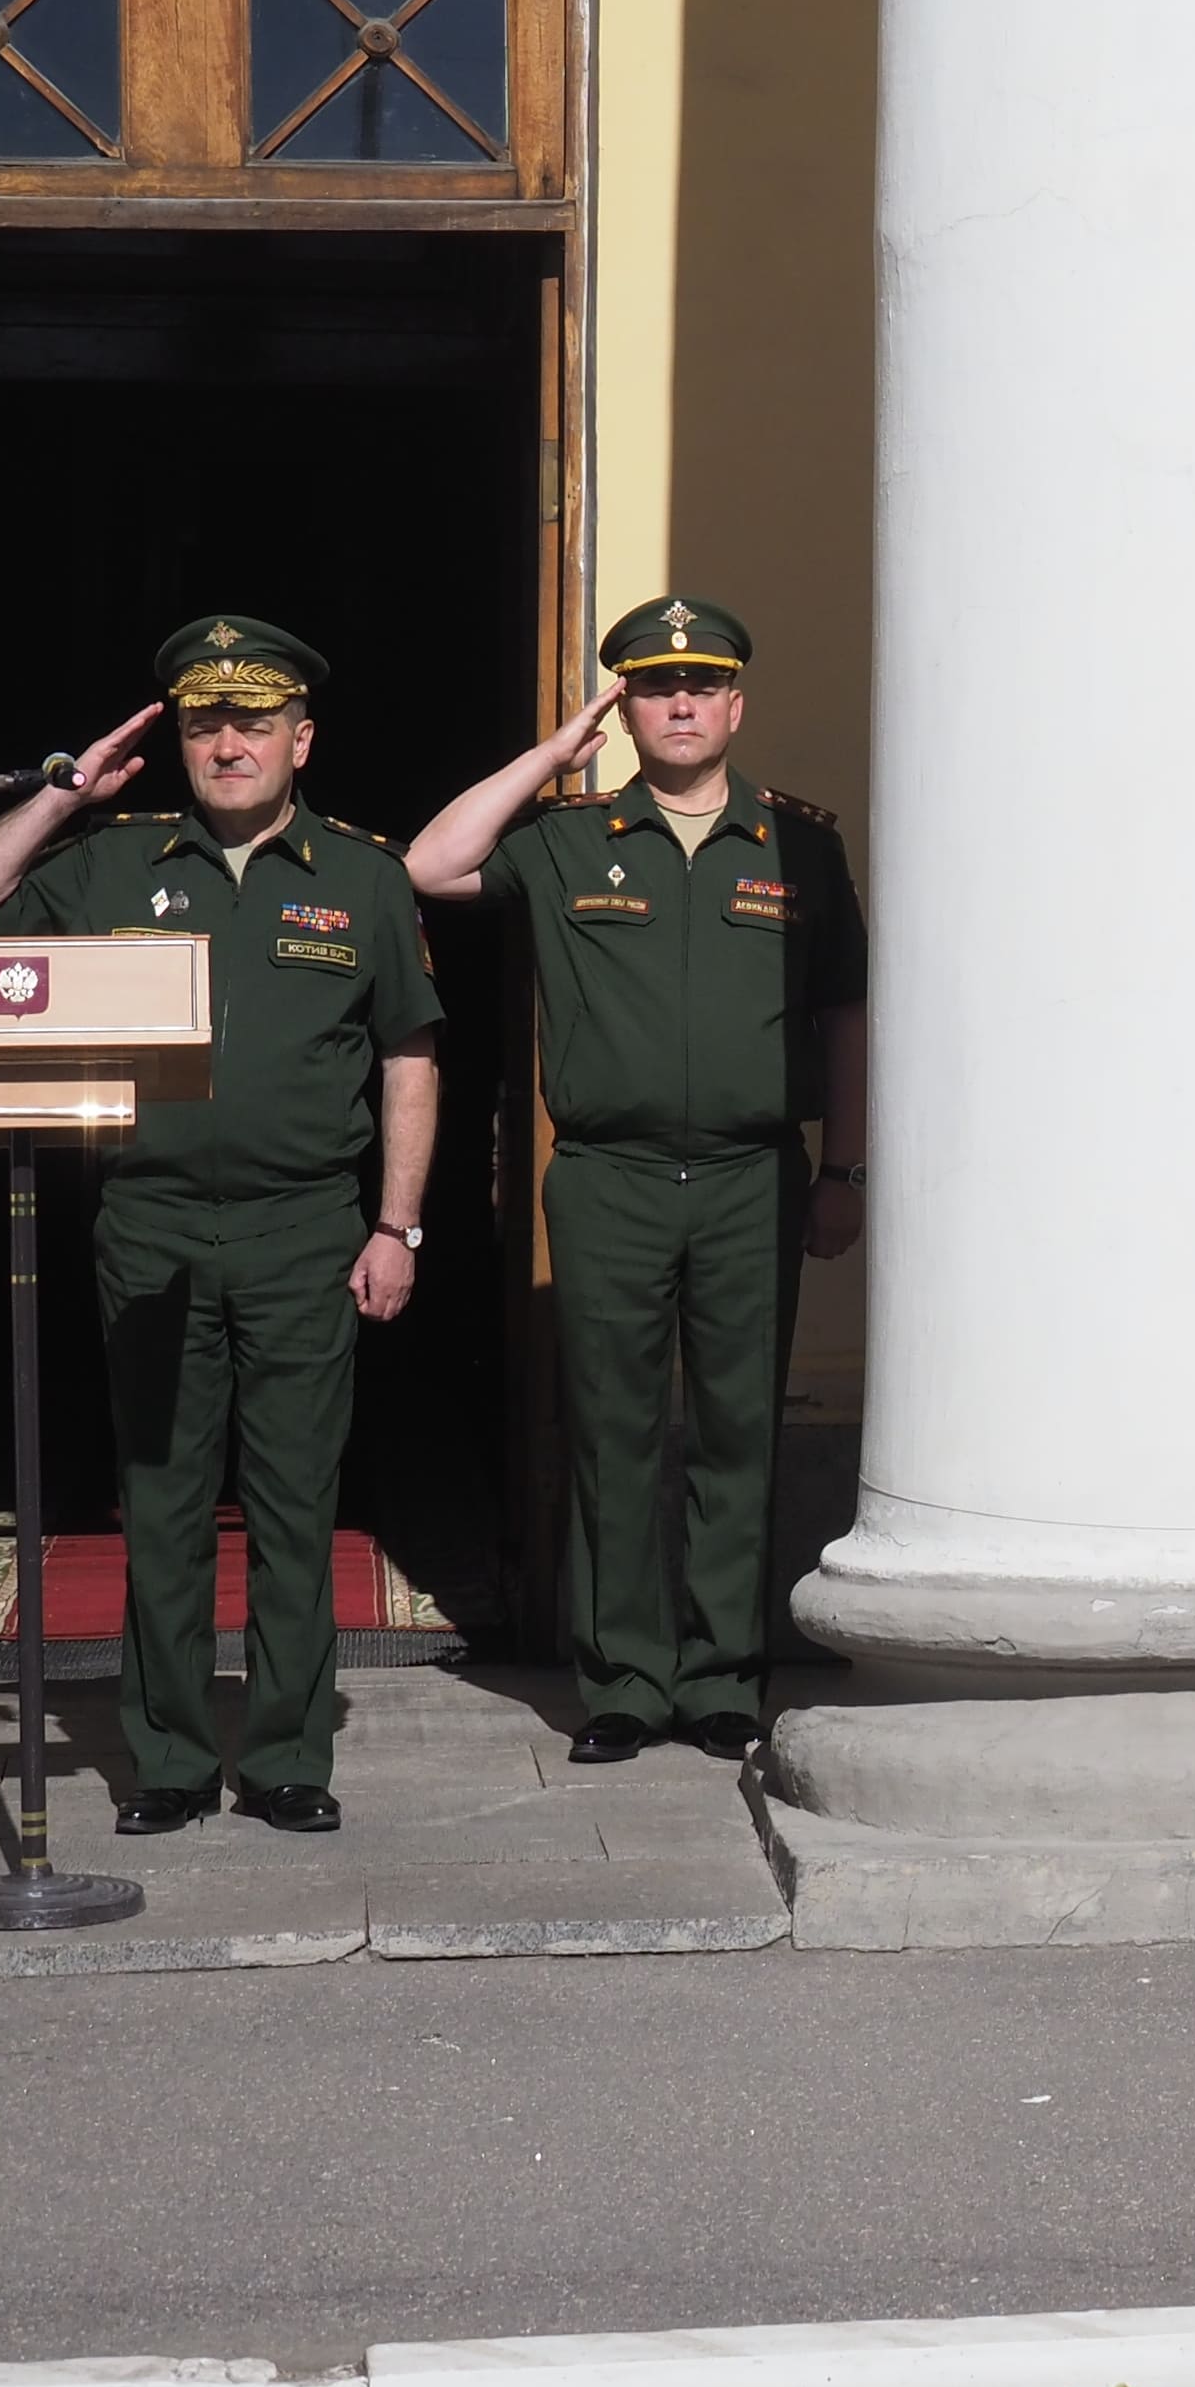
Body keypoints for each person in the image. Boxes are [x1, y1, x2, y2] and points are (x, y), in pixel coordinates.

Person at [0, 616, 440, 1837]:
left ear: (300, 740)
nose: (228, 745)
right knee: (158, 1498)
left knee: (294, 1502)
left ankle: (286, 1757)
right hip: (149, 1228)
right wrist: (59, 798)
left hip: (307, 1228)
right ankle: (164, 1755)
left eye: (253, 724)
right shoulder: (111, 863)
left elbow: (409, 1056)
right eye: (207, 724)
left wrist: (398, 1227)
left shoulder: (364, 878)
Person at [410, 597, 866, 1767]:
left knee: (736, 1436)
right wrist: (550, 758)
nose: (679, 703)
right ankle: (621, 1683)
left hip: (751, 1175)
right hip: (608, 1180)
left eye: (701, 685)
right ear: (623, 705)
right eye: (654, 687)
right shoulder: (568, 837)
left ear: (734, 705)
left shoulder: (802, 846)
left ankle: (720, 1681)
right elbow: (431, 862)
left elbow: (845, 1019)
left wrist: (845, 1171)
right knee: (611, 1435)